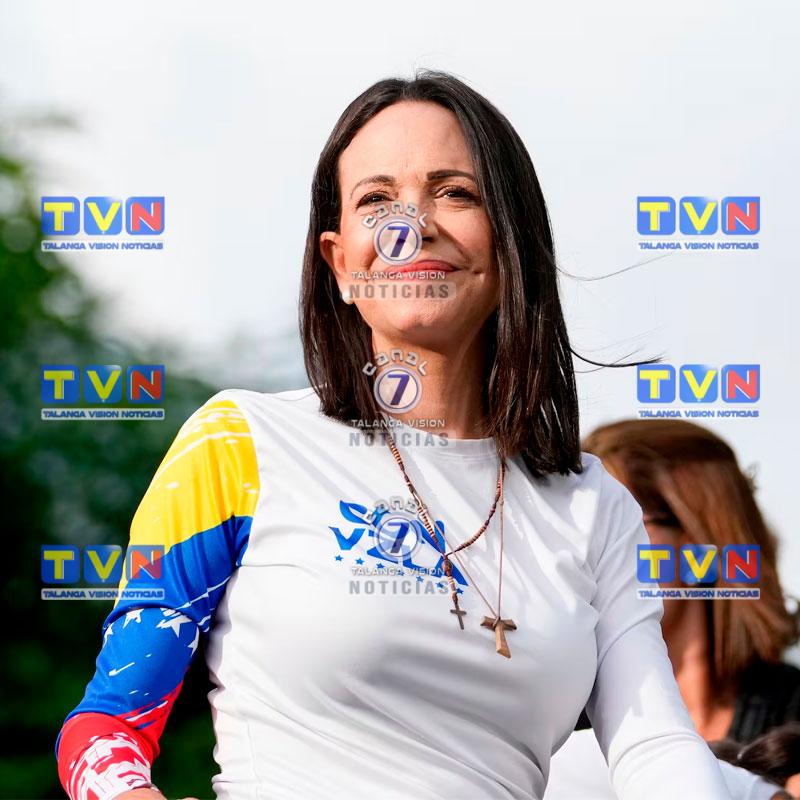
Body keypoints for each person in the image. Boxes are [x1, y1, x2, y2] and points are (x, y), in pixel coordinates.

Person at [55, 71, 733, 800]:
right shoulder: (238, 443)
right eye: (376, 201)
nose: (410, 225)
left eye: (456, 192)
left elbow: (655, 745)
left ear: (511, 245)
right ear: (340, 264)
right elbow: (106, 728)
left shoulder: (595, 505)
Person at [545, 418, 800, 800]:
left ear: (701, 544)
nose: (583, 551)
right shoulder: (555, 714)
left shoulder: (791, 709)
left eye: (622, 525)